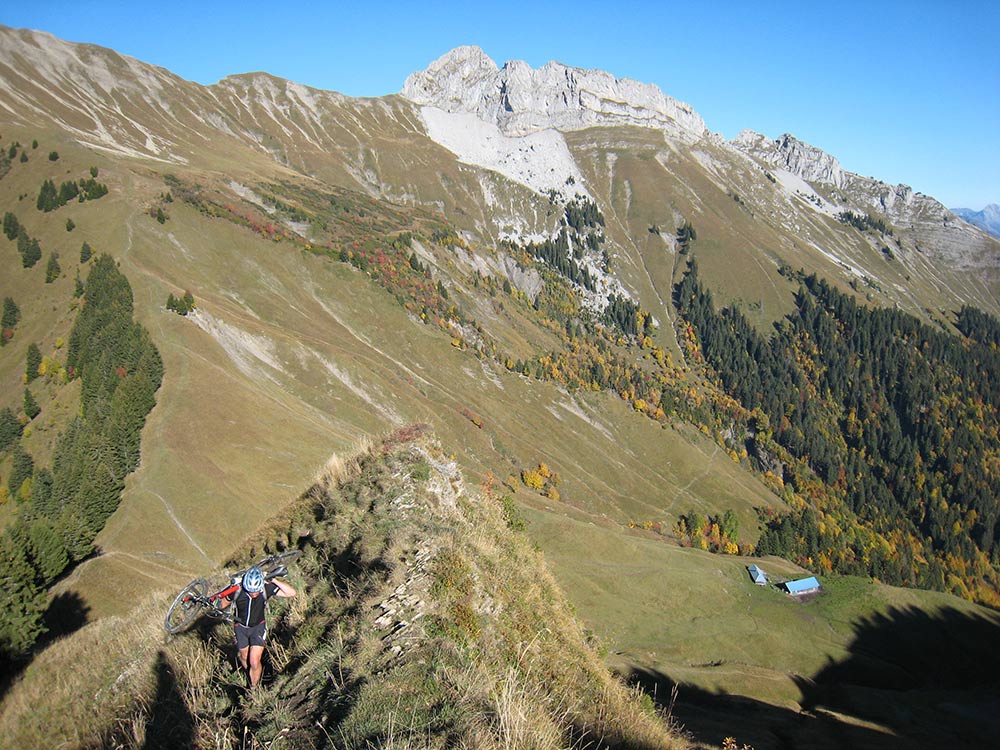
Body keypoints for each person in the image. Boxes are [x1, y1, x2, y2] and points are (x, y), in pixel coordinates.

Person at [218, 564, 296, 689]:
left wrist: (273, 579)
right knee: (244, 657)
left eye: (256, 591)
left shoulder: (266, 588)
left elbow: (291, 593)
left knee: (254, 661)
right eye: (250, 591)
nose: (253, 593)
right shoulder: (238, 590)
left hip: (258, 627)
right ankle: (251, 675)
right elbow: (221, 604)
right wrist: (213, 603)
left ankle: (254, 688)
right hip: (240, 627)